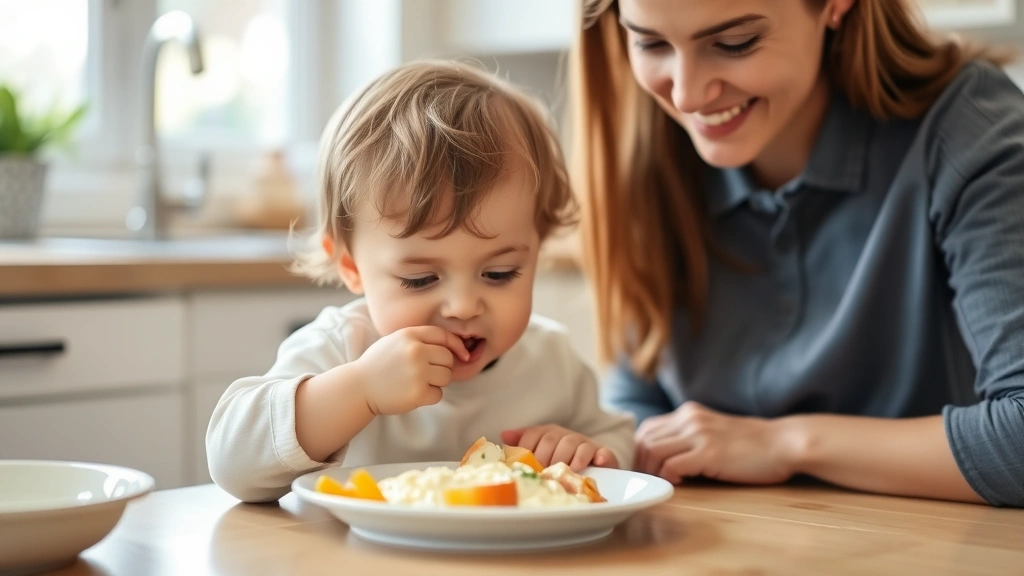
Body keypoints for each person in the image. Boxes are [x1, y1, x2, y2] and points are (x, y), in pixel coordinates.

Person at [569, 0, 1024, 507]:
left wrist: (785, 444)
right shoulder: (650, 151)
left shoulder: (969, 130)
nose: (687, 94)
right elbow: (638, 408)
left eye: (734, 43)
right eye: (651, 43)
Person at [206, 60, 634, 503]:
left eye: (499, 273)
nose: (464, 306)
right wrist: (359, 391)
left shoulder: (551, 361)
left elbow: (618, 443)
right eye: (420, 278)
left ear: (537, 247)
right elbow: (231, 464)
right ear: (351, 267)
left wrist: (587, 453)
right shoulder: (342, 349)